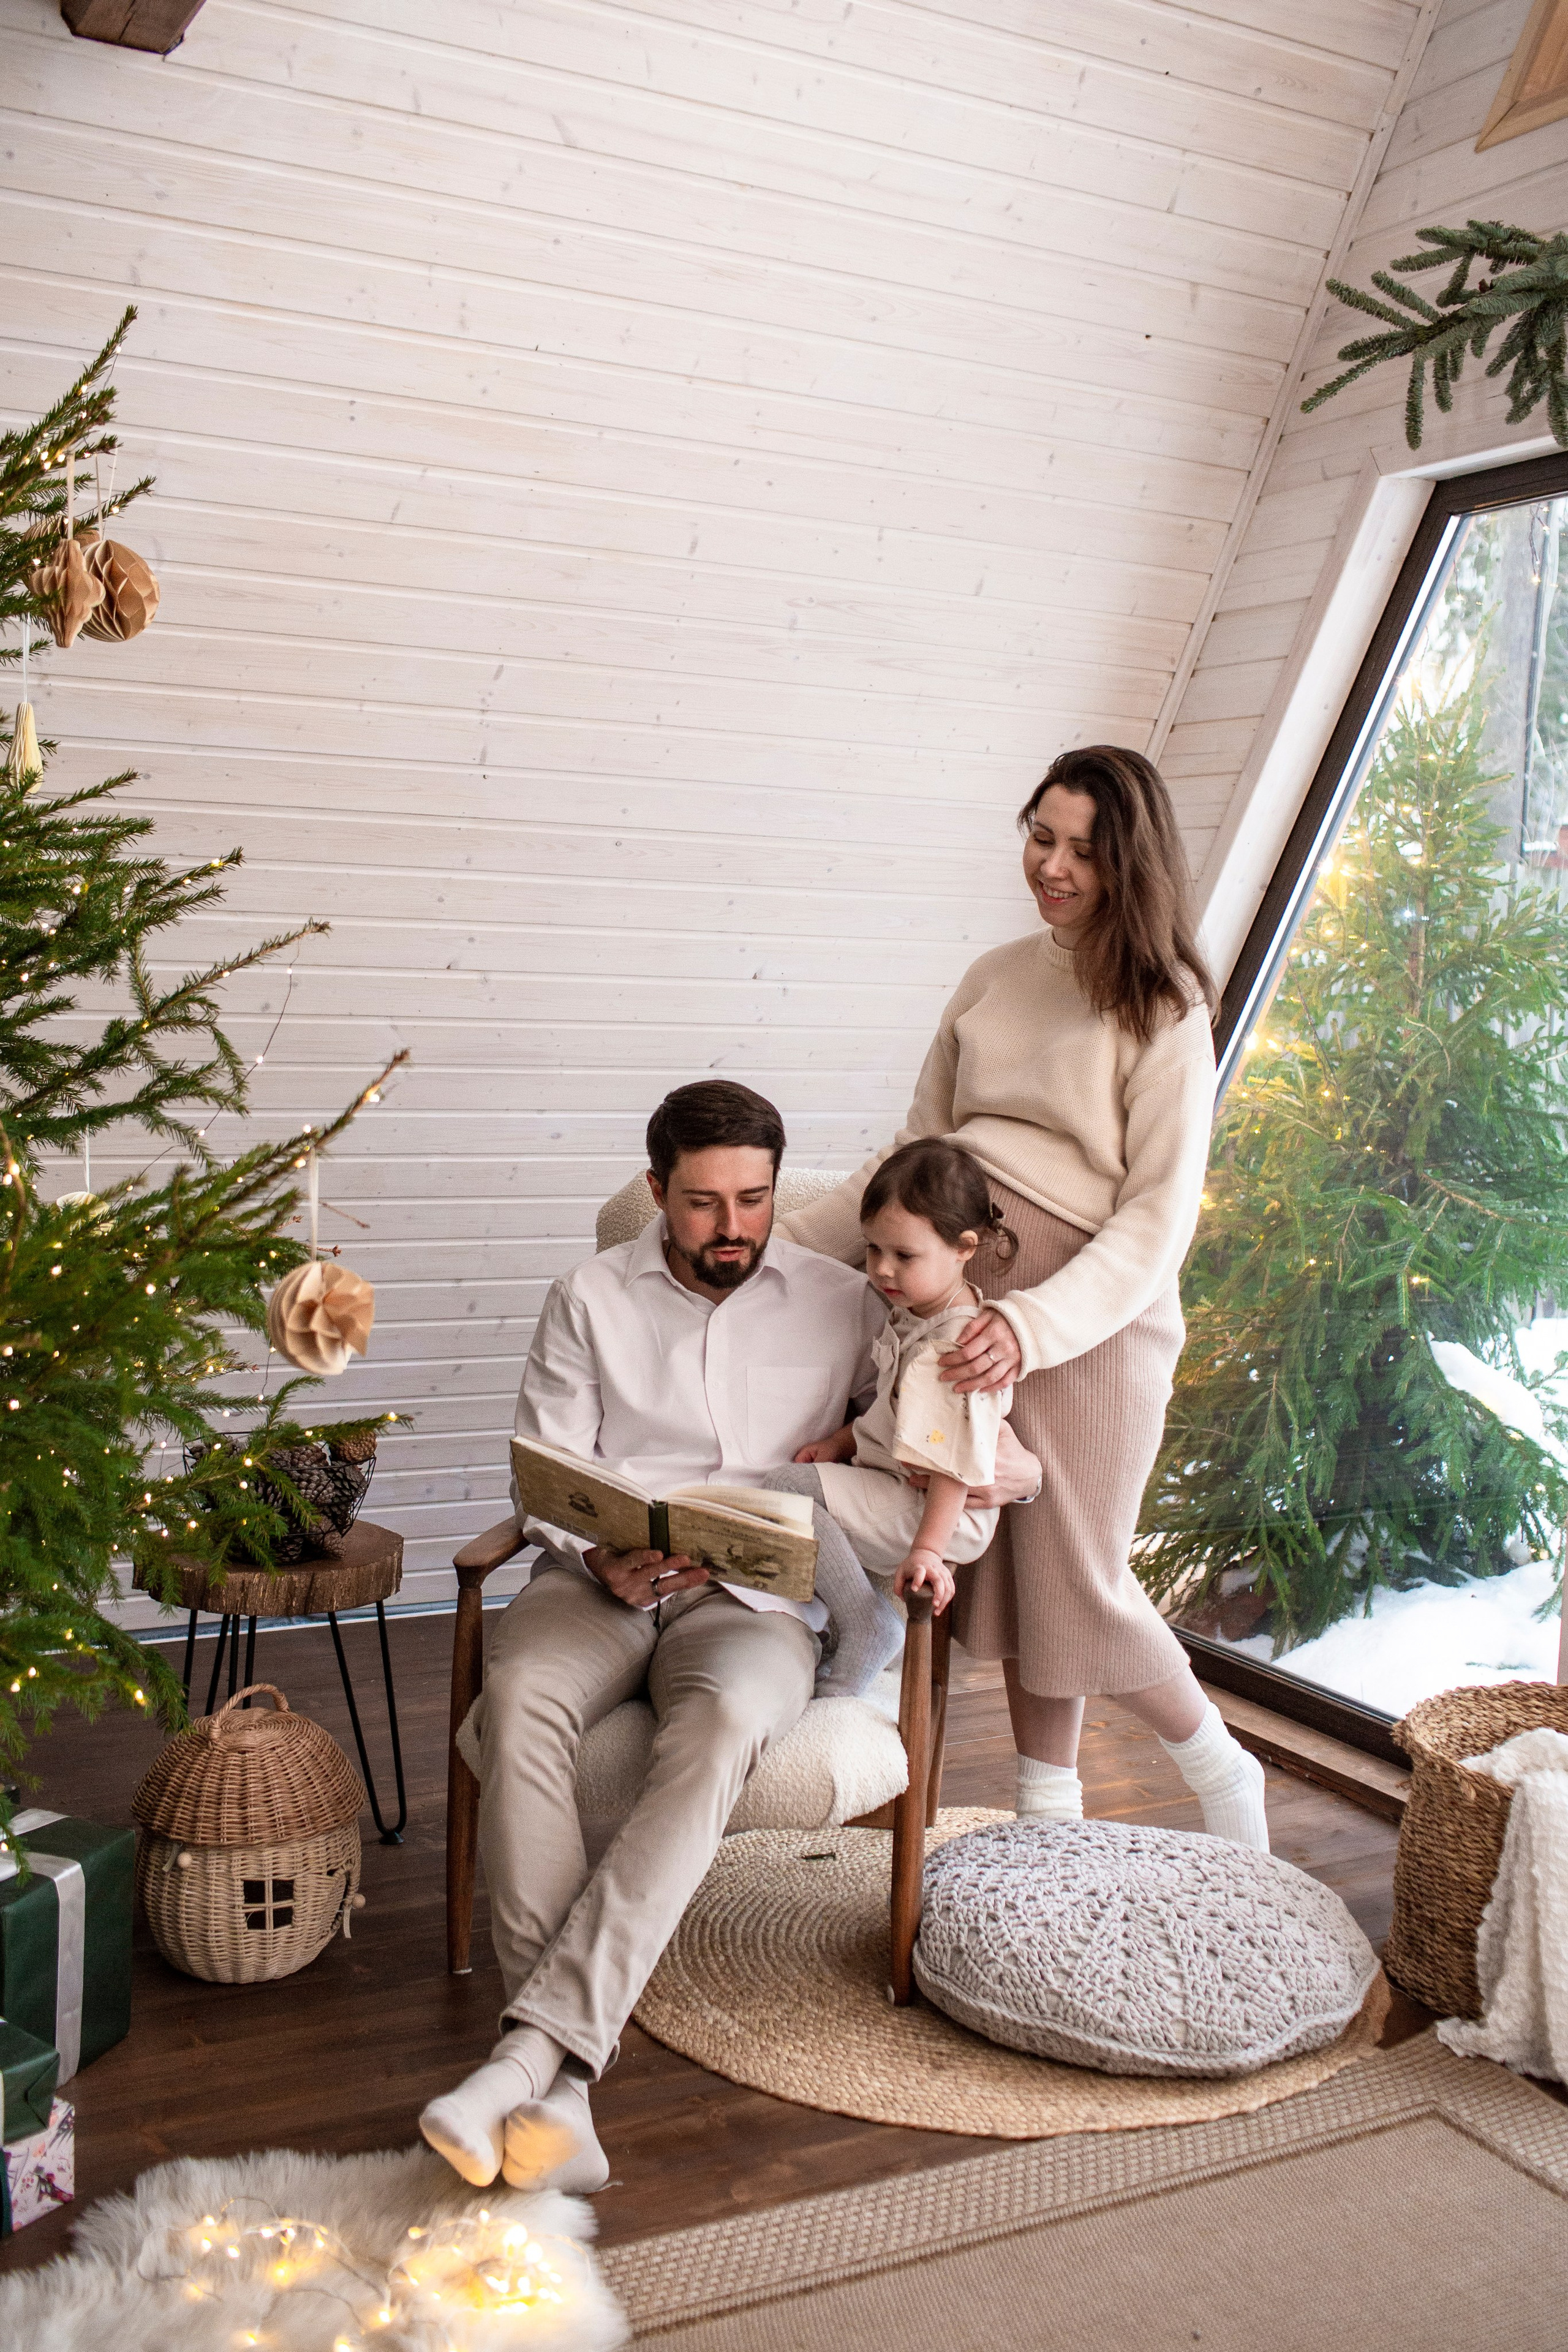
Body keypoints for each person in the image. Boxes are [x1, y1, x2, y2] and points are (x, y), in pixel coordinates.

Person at [420, 1079, 1038, 2195]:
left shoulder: (852, 1298)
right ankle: (553, 2079)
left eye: (752, 1199)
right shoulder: (588, 1297)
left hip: (754, 1601)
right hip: (601, 1579)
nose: (733, 1228)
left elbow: (934, 1439)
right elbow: (546, 1468)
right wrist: (593, 1546)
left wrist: (983, 1436)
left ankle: (525, 2059)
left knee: (721, 1730)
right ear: (656, 1192)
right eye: (702, 1204)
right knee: (518, 1708)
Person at [781, 745, 1269, 1852]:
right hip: (960, 1298)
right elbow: (913, 1155)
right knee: (1013, 1590)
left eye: (1081, 851)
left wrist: (1031, 1324)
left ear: (1129, 864)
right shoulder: (994, 976)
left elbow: (1156, 1220)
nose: (1050, 866)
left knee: (1074, 1582)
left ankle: (1219, 1769)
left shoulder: (1167, 1010)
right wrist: (781, 1241)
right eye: (1039, 836)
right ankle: (1051, 1823)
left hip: (1086, 1326)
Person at [781, 1138, 1019, 1619]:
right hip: (905, 1488)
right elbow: (894, 1410)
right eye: (873, 1248)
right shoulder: (917, 1312)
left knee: (787, 1486)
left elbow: (952, 1464)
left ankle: (865, 1620)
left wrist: (929, 1550)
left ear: (963, 1248)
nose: (882, 1268)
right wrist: (842, 1443)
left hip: (938, 1512)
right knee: (805, 1486)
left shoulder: (950, 1348)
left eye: (904, 1256)